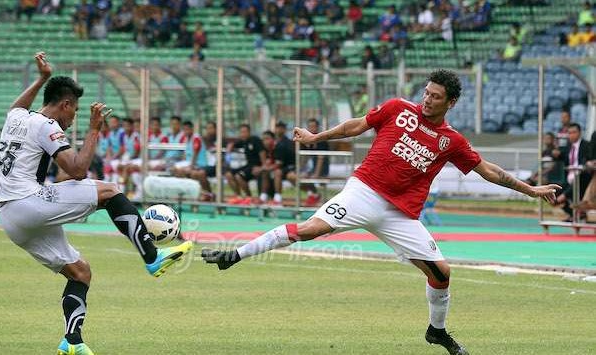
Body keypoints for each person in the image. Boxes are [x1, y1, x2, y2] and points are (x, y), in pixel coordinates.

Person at [202, 69, 560, 355]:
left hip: (400, 214)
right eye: (426, 92)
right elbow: (355, 126)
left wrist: (531, 190)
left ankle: (436, 332)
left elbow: (488, 170)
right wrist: (314, 138)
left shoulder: (452, 141)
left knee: (441, 273)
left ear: (450, 102)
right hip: (363, 192)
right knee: (310, 229)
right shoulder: (397, 108)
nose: (428, 99)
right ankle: (235, 255)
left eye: (436, 97)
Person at [0, 53, 193, 355]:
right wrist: (95, 128)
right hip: (28, 202)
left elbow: (16, 106)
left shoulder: (17, 117)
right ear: (66, 105)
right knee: (110, 191)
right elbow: (76, 170)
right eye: (73, 113)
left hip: (9, 217)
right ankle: (152, 257)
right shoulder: (47, 125)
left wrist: (41, 78)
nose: (72, 120)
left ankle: (71, 342)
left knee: (80, 272)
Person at [285, 118, 329, 207]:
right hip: (310, 170)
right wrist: (298, 170)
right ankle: (313, 194)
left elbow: (321, 158)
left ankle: (314, 195)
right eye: (310, 127)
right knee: (291, 176)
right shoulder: (307, 140)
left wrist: (316, 174)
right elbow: (304, 158)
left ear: (317, 128)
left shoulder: (321, 140)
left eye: (314, 127)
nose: (312, 129)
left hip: (321, 170)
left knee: (302, 177)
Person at [553, 123, 591, 221]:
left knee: (580, 177)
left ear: (579, 133)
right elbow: (559, 156)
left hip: (583, 179)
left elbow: (588, 161)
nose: (571, 135)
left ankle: (564, 196)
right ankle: (576, 214)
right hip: (569, 180)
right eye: (569, 133)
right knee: (551, 191)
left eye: (574, 132)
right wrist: (555, 154)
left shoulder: (587, 145)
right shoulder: (567, 147)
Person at [225, 123, 265, 205]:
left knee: (239, 176)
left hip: (256, 166)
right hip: (248, 166)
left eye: (244, 132)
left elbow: (262, 152)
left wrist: (262, 167)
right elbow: (233, 145)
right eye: (241, 132)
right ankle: (238, 196)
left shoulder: (255, 140)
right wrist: (230, 147)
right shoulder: (244, 142)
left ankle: (249, 197)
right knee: (228, 174)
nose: (242, 134)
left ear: (249, 132)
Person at [270, 121, 296, 205]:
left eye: (281, 128)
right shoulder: (274, 142)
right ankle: (264, 196)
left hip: (290, 167)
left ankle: (277, 198)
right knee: (265, 173)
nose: (278, 130)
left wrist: (266, 168)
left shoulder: (287, 142)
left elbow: (279, 163)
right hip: (281, 167)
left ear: (284, 130)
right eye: (277, 128)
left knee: (277, 172)